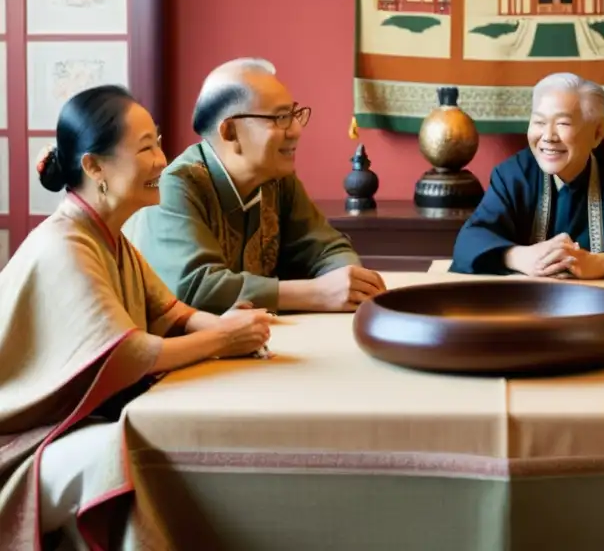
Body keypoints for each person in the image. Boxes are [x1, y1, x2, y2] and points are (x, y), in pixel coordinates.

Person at [0, 86, 272, 550]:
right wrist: (224, 338)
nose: (163, 161)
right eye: (146, 147)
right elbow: (129, 355)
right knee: (117, 456)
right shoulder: (65, 244)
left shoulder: (110, 237)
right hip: (23, 444)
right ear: (94, 166)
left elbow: (175, 315)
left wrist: (229, 323)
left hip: (67, 425)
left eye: (159, 143)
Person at [125, 58, 384, 314]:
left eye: (293, 114)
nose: (295, 129)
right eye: (280, 117)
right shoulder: (175, 185)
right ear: (230, 132)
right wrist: (318, 293)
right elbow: (195, 286)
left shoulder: (277, 179)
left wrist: (348, 282)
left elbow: (326, 247)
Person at [450, 72, 604, 278]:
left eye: (562, 123)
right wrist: (521, 257)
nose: (548, 136)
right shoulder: (513, 174)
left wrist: (602, 263)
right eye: (539, 122)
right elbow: (470, 241)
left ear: (597, 132)